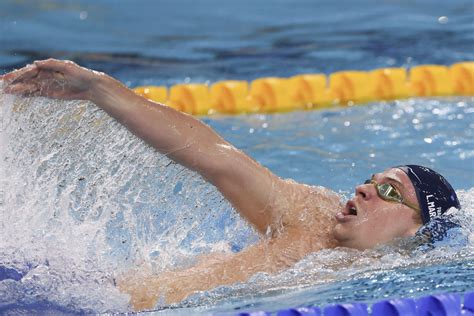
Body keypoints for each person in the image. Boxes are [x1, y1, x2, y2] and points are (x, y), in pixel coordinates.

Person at [0, 59, 461, 310]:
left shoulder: (391, 284)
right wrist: (100, 90)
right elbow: (217, 159)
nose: (364, 190)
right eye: (369, 181)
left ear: (415, 231)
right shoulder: (311, 217)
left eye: (389, 191)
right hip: (80, 295)